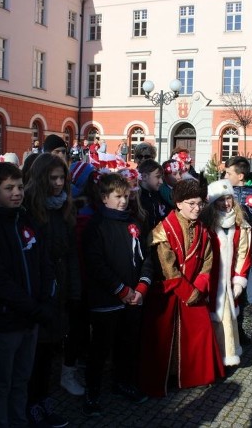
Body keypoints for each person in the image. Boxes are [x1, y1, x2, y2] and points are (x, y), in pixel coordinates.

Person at [0, 162, 58, 428]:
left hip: (30, 321)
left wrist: (45, 300)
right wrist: (33, 307)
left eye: (20, 186)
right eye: (9, 188)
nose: (17, 193)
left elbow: (44, 263)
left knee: (22, 380)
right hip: (5, 321)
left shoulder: (25, 220)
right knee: (1, 384)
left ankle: (19, 422)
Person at [140, 179, 224, 397]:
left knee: (199, 331)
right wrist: (189, 292)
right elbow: (168, 267)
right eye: (191, 204)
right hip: (169, 291)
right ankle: (166, 375)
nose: (197, 209)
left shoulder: (203, 230)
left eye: (199, 204)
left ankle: (194, 373)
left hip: (193, 289)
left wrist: (200, 285)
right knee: (162, 337)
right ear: (178, 203)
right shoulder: (162, 230)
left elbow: (207, 260)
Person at [82, 173, 152, 416]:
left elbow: (146, 259)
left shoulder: (134, 223)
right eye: (118, 197)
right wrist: (121, 290)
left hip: (133, 299)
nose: (124, 201)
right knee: (100, 348)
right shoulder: (97, 226)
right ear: (104, 198)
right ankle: (92, 391)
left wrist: (141, 288)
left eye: (126, 196)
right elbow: (96, 264)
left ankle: (123, 382)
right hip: (107, 300)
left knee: (128, 344)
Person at [24, 155, 82, 425]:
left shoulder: (65, 208)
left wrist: (73, 290)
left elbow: (70, 252)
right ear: (41, 179)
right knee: (34, 352)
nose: (59, 184)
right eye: (53, 178)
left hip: (60, 285)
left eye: (62, 178)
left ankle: (42, 402)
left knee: (48, 350)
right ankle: (30, 405)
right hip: (37, 287)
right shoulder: (27, 208)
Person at [202, 179, 251, 365]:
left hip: (229, 282)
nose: (226, 203)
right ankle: (211, 359)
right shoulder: (206, 224)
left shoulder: (240, 225)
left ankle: (227, 356)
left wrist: (239, 279)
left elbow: (243, 253)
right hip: (210, 281)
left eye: (228, 198)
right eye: (221, 200)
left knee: (228, 321)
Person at [223, 155, 252, 344]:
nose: (225, 175)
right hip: (225, 250)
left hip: (244, 253)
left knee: (240, 293)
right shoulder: (221, 193)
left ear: (240, 176)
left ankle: (238, 329)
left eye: (228, 173)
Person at [138, 159, 170, 230]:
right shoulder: (138, 198)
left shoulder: (157, 195)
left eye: (161, 178)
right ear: (144, 177)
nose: (161, 181)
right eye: (158, 177)